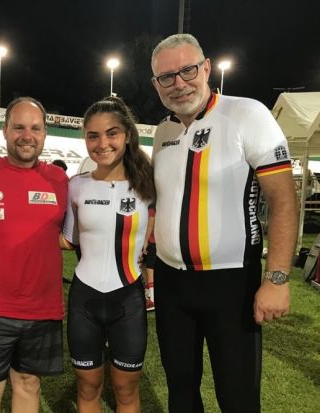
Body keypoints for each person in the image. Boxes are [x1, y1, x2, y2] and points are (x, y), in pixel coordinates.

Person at [150, 34, 297, 412]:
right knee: (181, 391)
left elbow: (283, 201)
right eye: (167, 77)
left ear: (207, 68)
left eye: (187, 70)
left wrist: (277, 279)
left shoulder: (247, 114)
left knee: (237, 397)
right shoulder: (163, 131)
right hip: (171, 284)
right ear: (156, 84)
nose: (179, 83)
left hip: (231, 284)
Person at [0, 97, 68, 413]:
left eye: (35, 128)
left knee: (28, 385)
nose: (27, 136)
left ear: (45, 133)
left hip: (42, 308)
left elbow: (71, 236)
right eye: (19, 127)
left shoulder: (60, 180)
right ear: (5, 130)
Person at [61, 97, 154, 413]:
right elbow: (69, 240)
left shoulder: (149, 183)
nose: (102, 144)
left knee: (126, 391)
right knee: (87, 388)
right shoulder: (76, 186)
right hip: (84, 299)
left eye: (111, 133)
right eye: (93, 136)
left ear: (127, 135)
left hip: (128, 300)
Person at [142, 211, 156, 311]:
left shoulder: (152, 206)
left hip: (152, 241)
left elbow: (151, 221)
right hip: (145, 241)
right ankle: (148, 296)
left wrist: (146, 240)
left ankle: (152, 299)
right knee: (143, 266)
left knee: (149, 268)